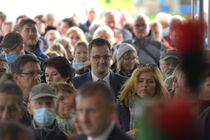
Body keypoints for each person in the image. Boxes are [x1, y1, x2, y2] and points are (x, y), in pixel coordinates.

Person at [117, 64, 169, 134]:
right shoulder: (122, 105)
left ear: (157, 86)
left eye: (150, 81)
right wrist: (127, 135)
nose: (144, 85)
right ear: (133, 84)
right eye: (140, 81)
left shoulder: (165, 107)